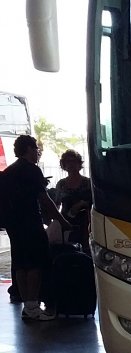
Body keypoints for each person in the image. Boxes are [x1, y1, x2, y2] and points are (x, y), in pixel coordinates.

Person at [2, 135, 71, 321]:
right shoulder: (31, 170)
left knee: (20, 264)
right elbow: (44, 199)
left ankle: (28, 306)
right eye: (36, 150)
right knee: (35, 264)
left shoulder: (8, 172)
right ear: (29, 149)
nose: (37, 153)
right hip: (30, 222)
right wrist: (61, 220)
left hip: (13, 225)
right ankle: (33, 305)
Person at [52, 150, 92, 253]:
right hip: (66, 223)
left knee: (87, 252)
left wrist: (82, 204)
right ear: (64, 165)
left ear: (79, 164)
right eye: (67, 162)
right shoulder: (61, 184)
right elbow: (56, 204)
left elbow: (94, 203)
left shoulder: (87, 183)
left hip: (86, 223)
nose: (71, 164)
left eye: (74, 161)